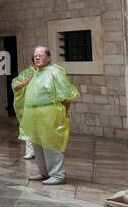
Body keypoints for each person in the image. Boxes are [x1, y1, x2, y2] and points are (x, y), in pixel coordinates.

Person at [12, 46, 79, 185]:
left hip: (49, 115)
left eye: (41, 55)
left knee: (51, 145)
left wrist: (63, 113)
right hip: (34, 116)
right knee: (37, 145)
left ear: (48, 57)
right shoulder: (36, 73)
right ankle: (44, 172)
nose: (37, 57)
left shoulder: (55, 72)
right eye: (35, 55)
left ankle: (57, 174)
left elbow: (66, 95)